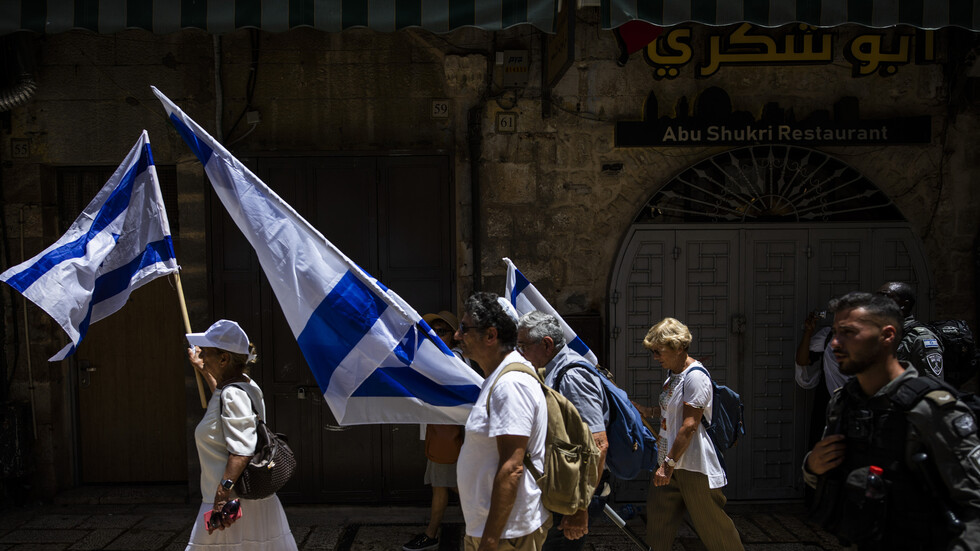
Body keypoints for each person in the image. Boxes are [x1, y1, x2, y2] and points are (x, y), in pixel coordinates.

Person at [803, 292, 980, 550]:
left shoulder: (931, 409)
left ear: (887, 335)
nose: (834, 343)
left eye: (849, 332)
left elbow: (974, 505)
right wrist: (813, 466)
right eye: (835, 332)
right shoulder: (844, 403)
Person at [185, 319, 298, 550]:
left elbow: (242, 451)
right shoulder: (244, 385)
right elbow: (222, 399)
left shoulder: (233, 394)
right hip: (248, 503)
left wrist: (221, 495)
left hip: (232, 504)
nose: (203, 357)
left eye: (206, 353)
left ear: (224, 359)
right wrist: (203, 369)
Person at [633, 318, 743, 551]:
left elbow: (690, 424)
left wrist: (668, 464)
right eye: (653, 352)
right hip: (669, 463)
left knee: (714, 528)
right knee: (658, 526)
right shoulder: (673, 375)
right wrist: (646, 411)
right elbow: (671, 412)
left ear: (679, 347)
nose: (655, 357)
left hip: (693, 466)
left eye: (659, 351)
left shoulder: (695, 377)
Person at [455, 292, 551, 551]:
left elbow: (512, 467)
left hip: (506, 535)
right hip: (494, 530)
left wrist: (489, 540)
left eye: (464, 328)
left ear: (490, 335)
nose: (457, 335)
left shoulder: (511, 385)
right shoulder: (499, 378)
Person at [516, 311, 608, 551]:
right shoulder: (550, 370)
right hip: (560, 490)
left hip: (572, 498)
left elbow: (598, 444)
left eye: (523, 345)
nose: (520, 352)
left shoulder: (572, 376)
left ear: (546, 344)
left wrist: (580, 509)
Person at [403, 311, 468, 551]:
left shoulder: (454, 360)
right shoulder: (438, 357)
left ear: (454, 335)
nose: (437, 335)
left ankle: (432, 534)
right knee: (449, 484)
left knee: (447, 485)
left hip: (448, 434)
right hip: (440, 432)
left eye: (442, 331)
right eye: (434, 331)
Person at [795, 310, 851, 449]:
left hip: (854, 404)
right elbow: (802, 360)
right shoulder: (828, 338)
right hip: (828, 401)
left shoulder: (869, 342)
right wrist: (808, 332)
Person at [876, 281, 944, 380]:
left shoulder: (921, 338)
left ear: (904, 305)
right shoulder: (883, 334)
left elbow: (933, 382)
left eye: (885, 296)